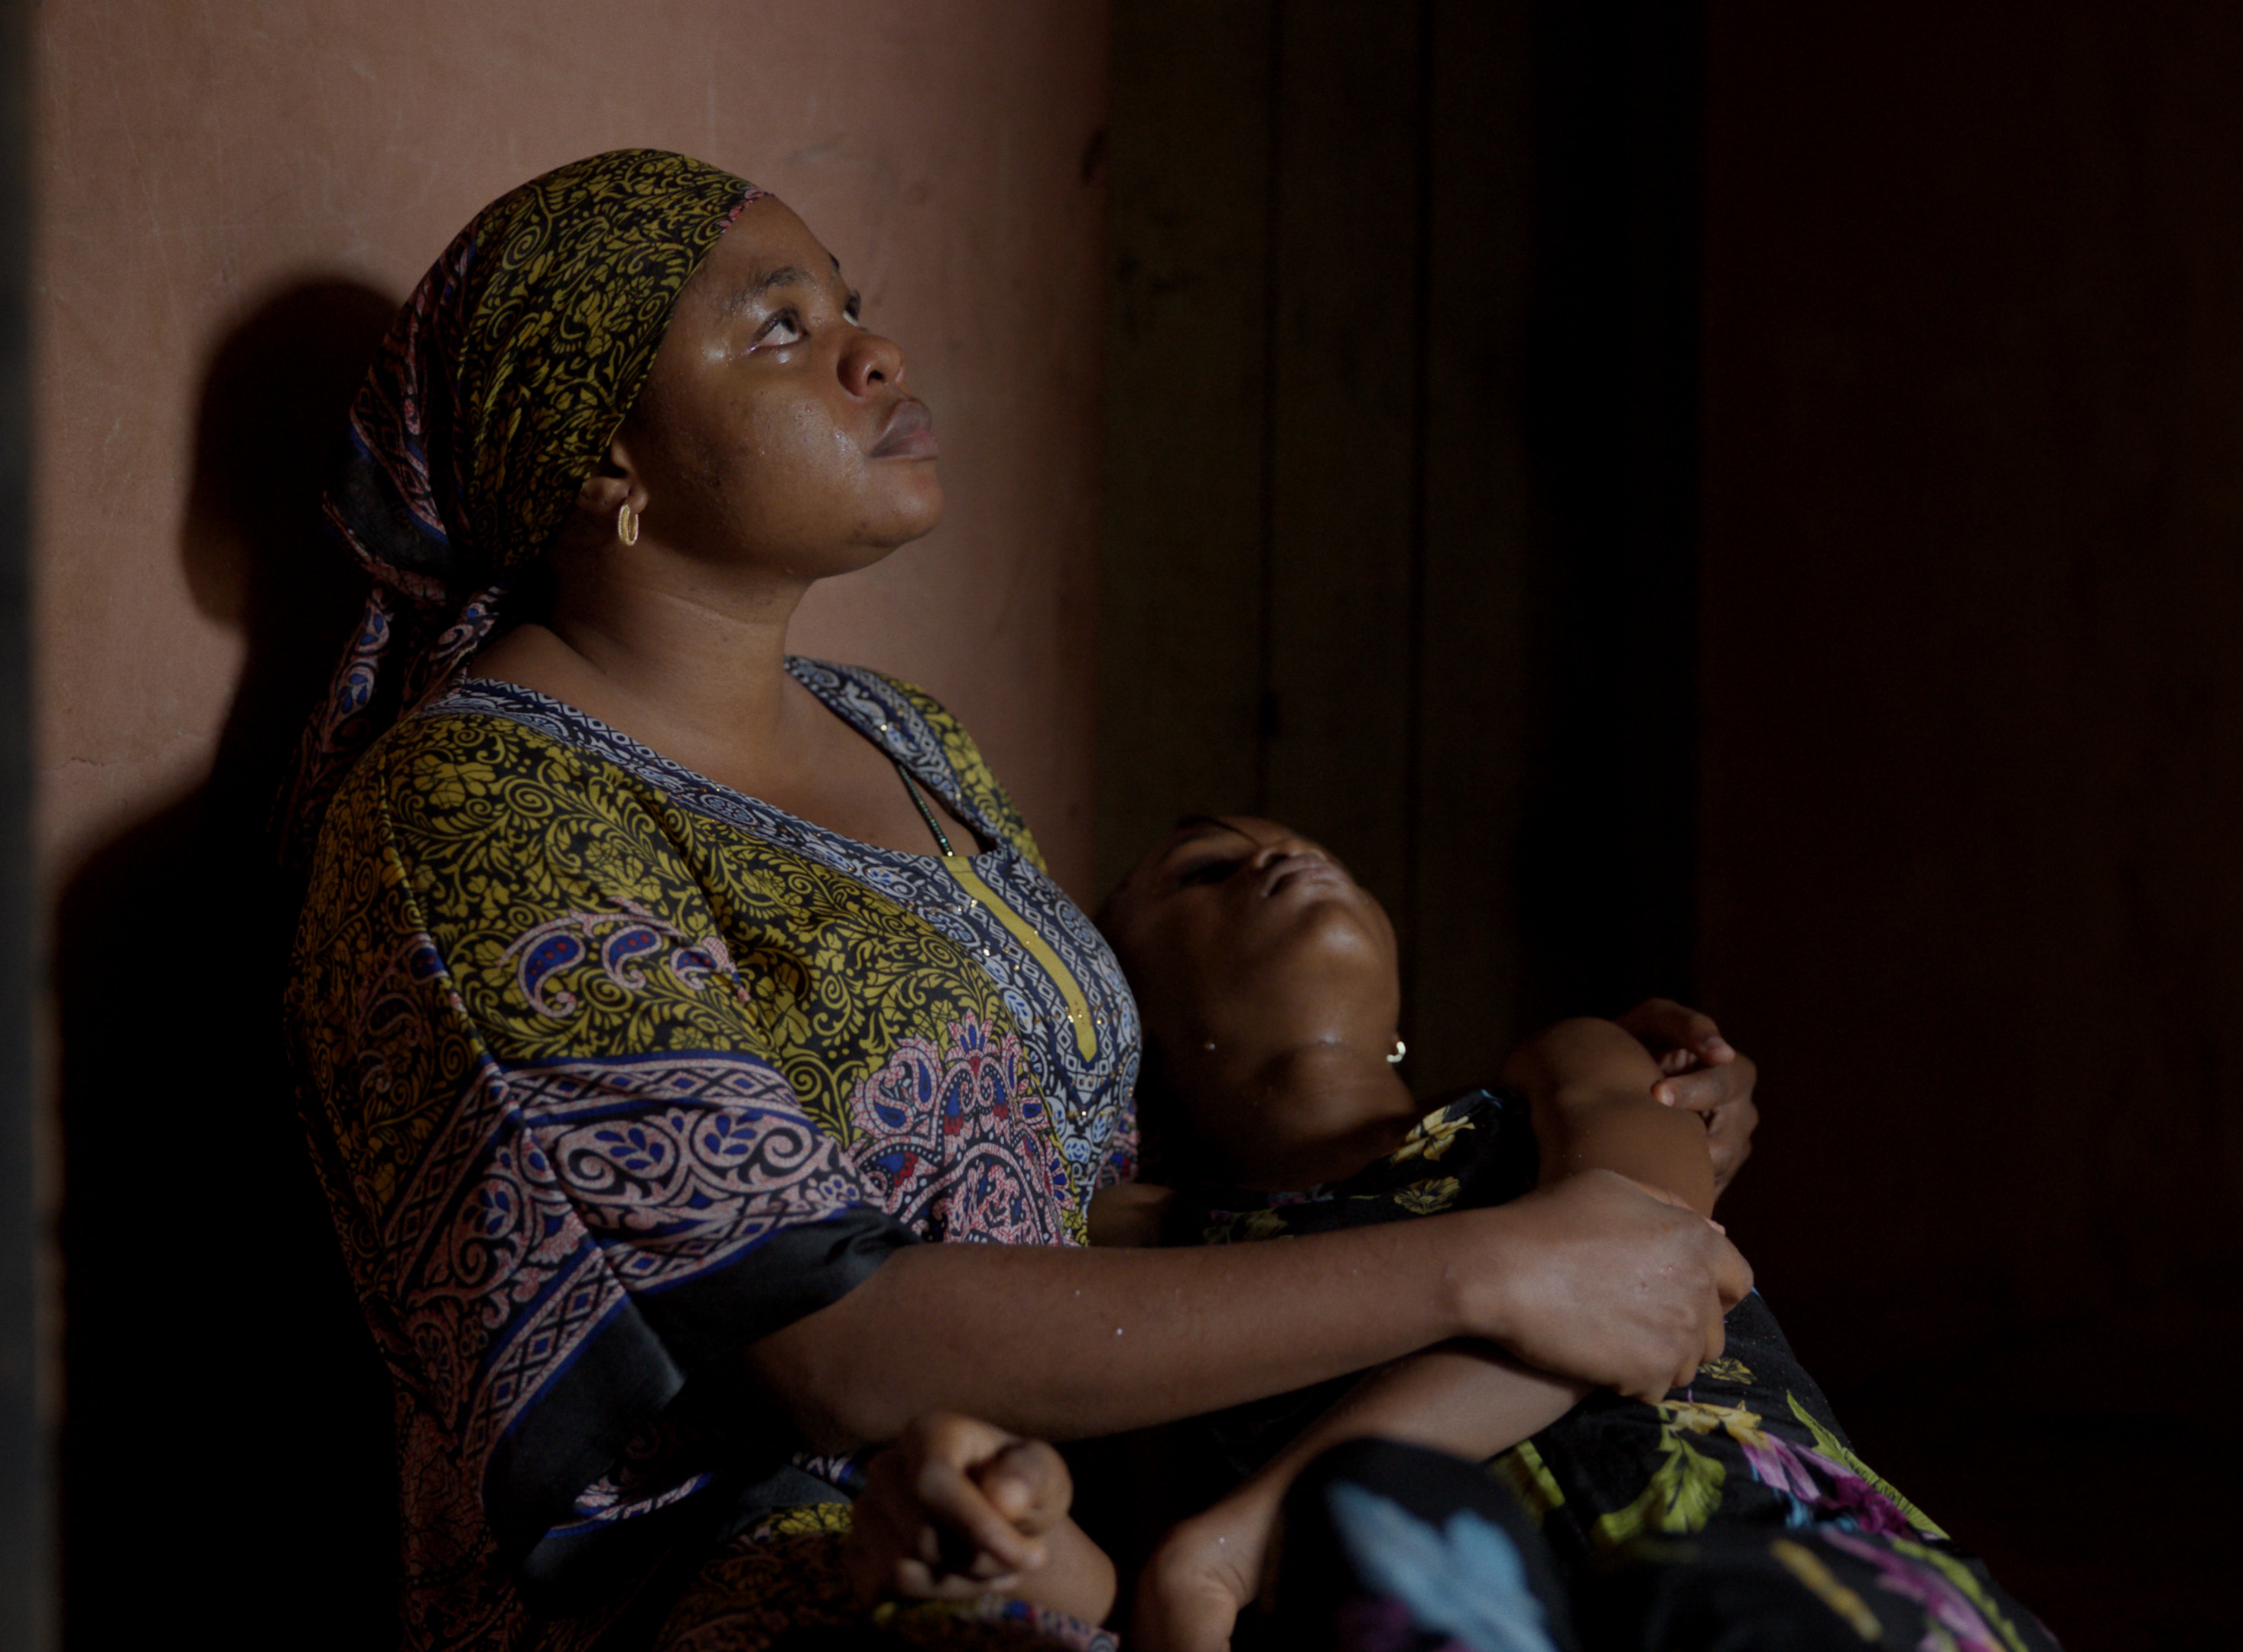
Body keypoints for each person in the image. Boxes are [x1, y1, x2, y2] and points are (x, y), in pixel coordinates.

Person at [283, 151, 1754, 1652]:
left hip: (1073, 1513)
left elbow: (1056, 1209)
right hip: (763, 1596)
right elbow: (834, 1346)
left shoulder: (907, 737)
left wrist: (1516, 1151)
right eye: (782, 328)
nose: (878, 355)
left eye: (853, 305)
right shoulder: (482, 809)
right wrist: (1498, 1262)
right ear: (608, 461)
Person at [850, 817, 2056, 1651]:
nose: (1281, 855)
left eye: (1307, 848)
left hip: (1795, 1562)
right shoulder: (1174, 1287)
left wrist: (1243, 1531)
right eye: (1203, 870)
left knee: (1735, 1614)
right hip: (1425, 1610)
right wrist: (1012, 1520)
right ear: (1129, 1021)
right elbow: (1133, 1587)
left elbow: (1641, 1258)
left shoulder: (1561, 1076)